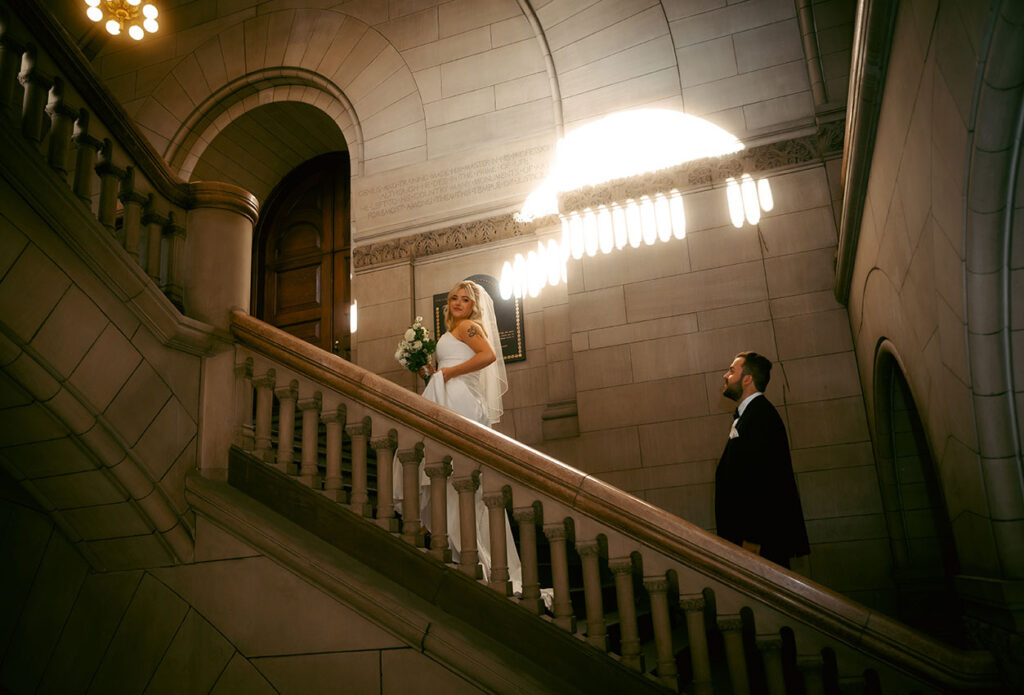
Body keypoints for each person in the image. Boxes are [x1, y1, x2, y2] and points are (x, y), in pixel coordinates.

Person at [395, 280, 522, 594]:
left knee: (459, 473)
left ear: (473, 305)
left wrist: (450, 373)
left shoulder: (469, 327)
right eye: (453, 298)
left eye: (464, 299)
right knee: (444, 469)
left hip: (462, 398)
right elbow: (443, 369)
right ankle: (460, 542)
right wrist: (429, 371)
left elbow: (488, 356)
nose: (457, 303)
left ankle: (475, 548)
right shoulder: (449, 332)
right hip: (446, 395)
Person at [715, 351, 810, 568]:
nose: (725, 376)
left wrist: (753, 537)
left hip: (758, 543)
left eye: (731, 371)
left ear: (747, 379)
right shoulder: (750, 415)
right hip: (747, 542)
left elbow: (767, 479)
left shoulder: (761, 416)